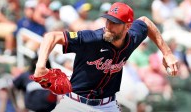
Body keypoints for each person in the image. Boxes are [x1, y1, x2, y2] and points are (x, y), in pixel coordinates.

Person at [33, 2, 179, 112]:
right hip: (75, 104)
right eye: (108, 20)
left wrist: (167, 53)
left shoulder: (133, 37)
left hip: (107, 106)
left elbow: (145, 22)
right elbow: (52, 36)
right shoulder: (92, 38)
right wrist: (41, 65)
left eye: (115, 23)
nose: (109, 25)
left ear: (127, 26)